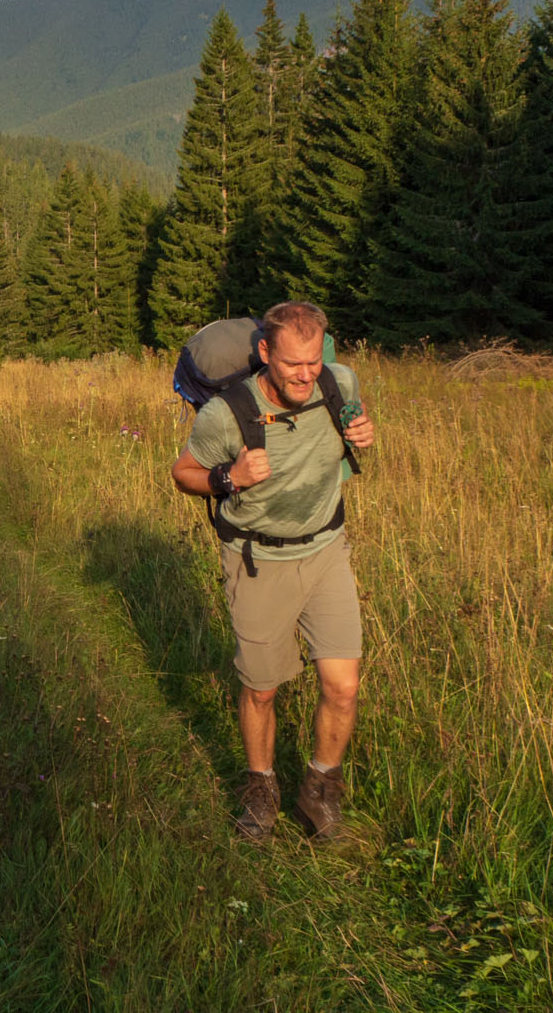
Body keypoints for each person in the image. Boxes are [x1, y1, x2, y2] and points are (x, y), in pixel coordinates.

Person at [169, 301, 375, 840]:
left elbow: (350, 422)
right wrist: (228, 478)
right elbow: (183, 473)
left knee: (344, 687)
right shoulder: (227, 413)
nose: (306, 376)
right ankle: (260, 791)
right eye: (292, 365)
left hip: (327, 550)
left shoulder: (339, 382)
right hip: (258, 561)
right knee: (261, 690)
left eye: (313, 363)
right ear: (265, 353)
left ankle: (319, 792)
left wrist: (363, 434)